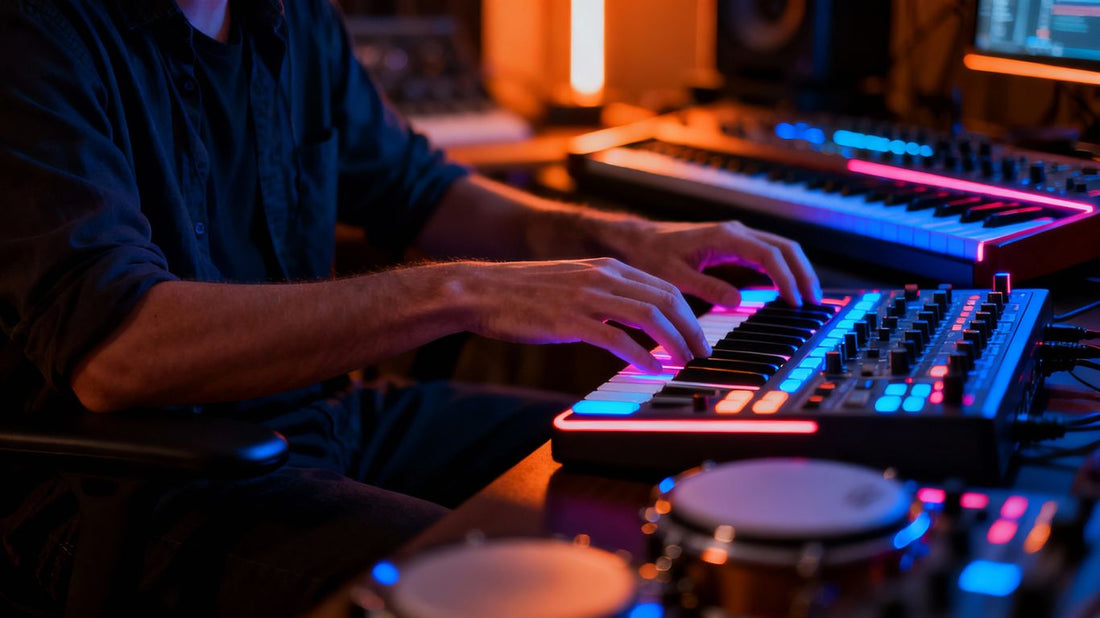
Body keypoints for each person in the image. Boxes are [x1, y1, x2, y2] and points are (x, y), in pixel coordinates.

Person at [0, 0, 821, 615]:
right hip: (134, 485)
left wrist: (618, 233)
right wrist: (457, 290)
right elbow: (115, 350)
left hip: (325, 422)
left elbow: (418, 191)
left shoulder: (289, 17)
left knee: (663, 463)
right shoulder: (34, 33)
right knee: (547, 582)